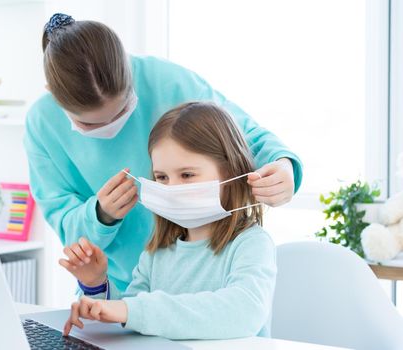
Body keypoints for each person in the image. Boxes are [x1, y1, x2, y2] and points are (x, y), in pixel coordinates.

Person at [24, 13, 300, 291]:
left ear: (129, 69)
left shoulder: (167, 81)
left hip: (206, 277)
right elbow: (67, 228)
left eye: (121, 111)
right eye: (90, 123)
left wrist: (284, 167)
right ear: (53, 95)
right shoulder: (42, 124)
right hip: (124, 288)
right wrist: (101, 214)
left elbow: (244, 136)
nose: (111, 127)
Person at [60, 102, 276, 340]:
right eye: (162, 177)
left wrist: (129, 310)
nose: (172, 189)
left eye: (187, 175)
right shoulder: (157, 253)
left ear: (230, 171)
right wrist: (95, 286)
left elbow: (243, 313)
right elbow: (132, 319)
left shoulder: (252, 244)